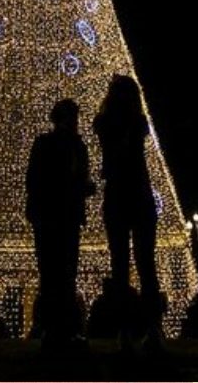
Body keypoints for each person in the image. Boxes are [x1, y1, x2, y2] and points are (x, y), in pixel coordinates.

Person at [93, 74, 162, 350]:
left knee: (121, 265)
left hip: (120, 195)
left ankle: (127, 331)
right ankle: (149, 329)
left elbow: (112, 155)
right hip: (138, 194)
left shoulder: (108, 122)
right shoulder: (136, 122)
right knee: (144, 264)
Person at [26, 98, 93, 349]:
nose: (75, 122)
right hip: (48, 217)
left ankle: (65, 329)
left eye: (76, 117)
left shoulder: (79, 146)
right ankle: (51, 329)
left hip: (69, 217)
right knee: (51, 272)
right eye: (71, 117)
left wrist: (85, 187)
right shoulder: (45, 143)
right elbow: (34, 180)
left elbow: (82, 178)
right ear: (59, 119)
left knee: (67, 273)